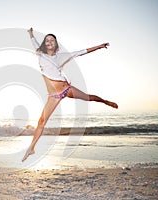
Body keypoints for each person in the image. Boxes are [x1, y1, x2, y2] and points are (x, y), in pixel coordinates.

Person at [22, 28, 118, 162]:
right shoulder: (39, 53)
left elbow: (82, 52)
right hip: (53, 96)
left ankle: (105, 101)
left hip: (66, 88)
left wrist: (100, 46)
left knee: (89, 97)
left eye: (52, 40)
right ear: (44, 44)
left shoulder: (62, 56)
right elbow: (33, 41)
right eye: (47, 40)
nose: (49, 41)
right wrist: (30, 34)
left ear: (56, 44)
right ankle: (31, 148)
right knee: (41, 122)